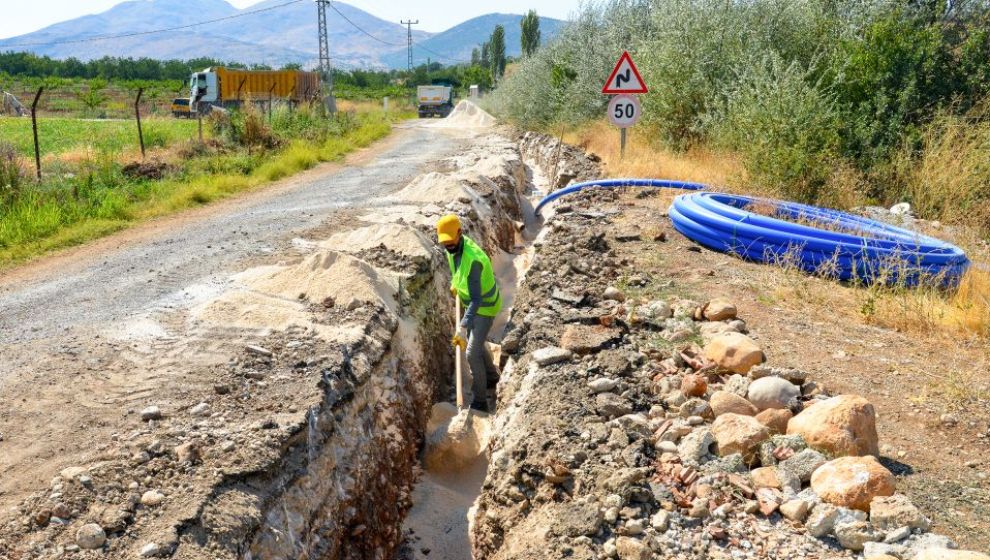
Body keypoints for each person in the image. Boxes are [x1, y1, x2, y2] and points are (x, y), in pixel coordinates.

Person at [436, 214, 502, 412]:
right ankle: (491, 377)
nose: (448, 245)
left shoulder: (473, 260)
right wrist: (455, 285)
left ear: (460, 233)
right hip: (471, 303)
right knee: (477, 342)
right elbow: (458, 272)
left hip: (485, 307)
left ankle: (480, 400)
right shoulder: (452, 248)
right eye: (444, 242)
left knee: (472, 352)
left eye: (450, 240)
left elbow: (477, 299)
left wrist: (463, 325)